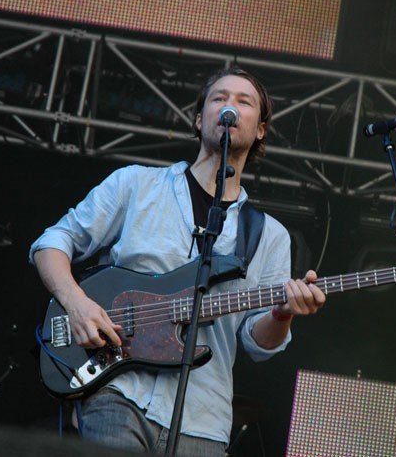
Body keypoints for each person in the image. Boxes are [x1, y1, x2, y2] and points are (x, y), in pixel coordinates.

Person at [30, 66, 326, 456]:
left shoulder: (269, 235)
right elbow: (52, 243)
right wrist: (77, 304)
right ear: (199, 119)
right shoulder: (135, 184)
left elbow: (258, 343)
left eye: (244, 101)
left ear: (260, 130)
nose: (230, 107)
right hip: (118, 390)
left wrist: (283, 314)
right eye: (219, 98)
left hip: (203, 421)